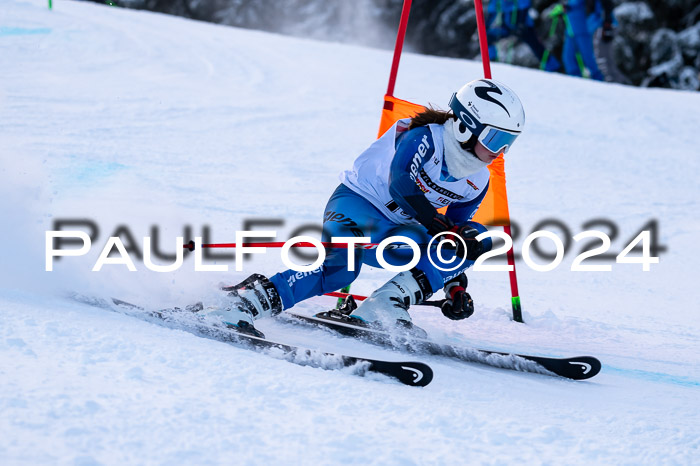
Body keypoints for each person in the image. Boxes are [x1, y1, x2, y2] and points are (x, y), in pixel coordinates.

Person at [209, 79, 526, 338]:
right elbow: (401, 185)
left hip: (400, 231)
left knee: (478, 237)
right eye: (495, 138)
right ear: (465, 126)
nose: (500, 151)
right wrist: (437, 227)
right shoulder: (425, 138)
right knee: (340, 269)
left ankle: (386, 305)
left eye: (507, 143)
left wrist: (456, 286)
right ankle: (242, 304)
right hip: (356, 205)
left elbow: (452, 237)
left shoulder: (477, 180)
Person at [486, 0, 562, 72]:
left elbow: (525, 6)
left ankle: (554, 67)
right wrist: (486, 26)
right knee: (488, 37)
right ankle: (492, 61)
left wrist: (521, 24)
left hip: (524, 27)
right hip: (507, 27)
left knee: (536, 46)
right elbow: (492, 12)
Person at [561, 0, 614, 81]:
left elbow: (591, 6)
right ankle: (575, 81)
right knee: (568, 58)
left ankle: (599, 81)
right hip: (570, 29)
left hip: (583, 28)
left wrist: (606, 23)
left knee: (589, 59)